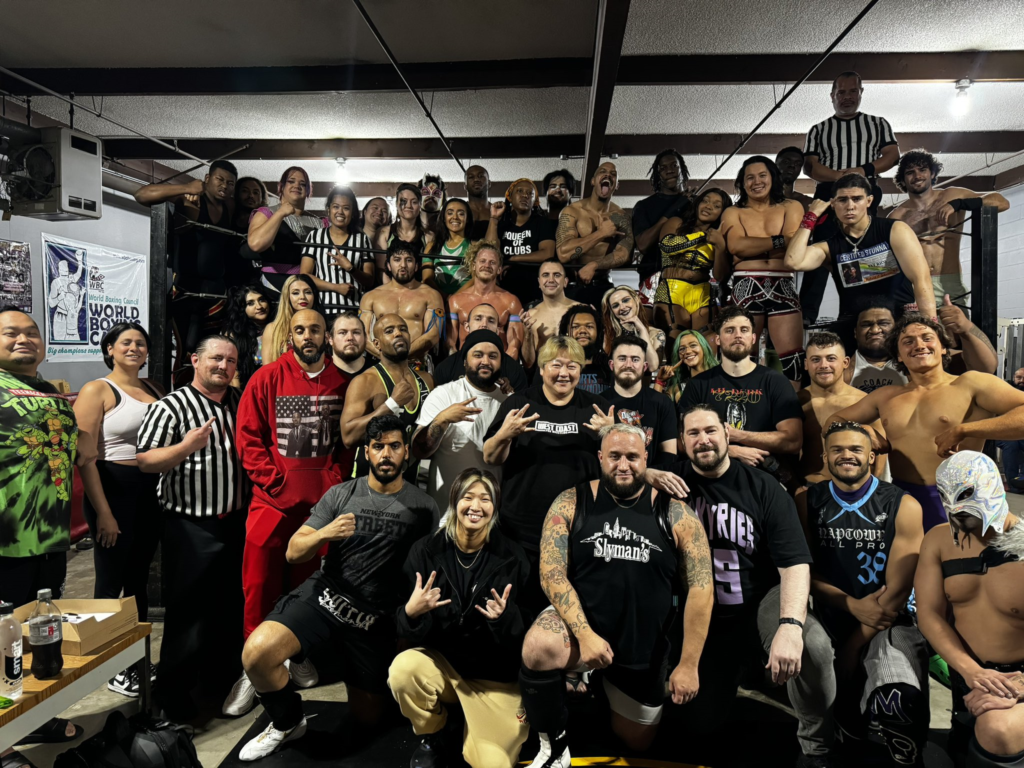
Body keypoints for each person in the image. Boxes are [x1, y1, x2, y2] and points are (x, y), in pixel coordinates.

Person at [238, 415, 438, 761]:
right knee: (256, 654)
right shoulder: (342, 493)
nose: (386, 454)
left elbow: (425, 570)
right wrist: (324, 534)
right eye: (378, 447)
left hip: (374, 618)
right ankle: (288, 721)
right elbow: (293, 552)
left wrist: (407, 629)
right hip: (326, 598)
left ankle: (320, 659)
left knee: (370, 719)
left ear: (407, 452)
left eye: (394, 446)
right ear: (367, 452)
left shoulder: (424, 506)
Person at [520, 423, 713, 765]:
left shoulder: (677, 514)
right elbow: (551, 574)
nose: (623, 465)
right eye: (614, 456)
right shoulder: (571, 502)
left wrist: (688, 664)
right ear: (600, 458)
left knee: (636, 742)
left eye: (632, 457)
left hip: (641, 650)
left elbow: (701, 589)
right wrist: (585, 636)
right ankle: (554, 748)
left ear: (646, 460)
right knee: (538, 647)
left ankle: (594, 686)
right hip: (582, 634)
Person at [677, 405, 831, 766]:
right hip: (701, 619)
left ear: (726, 434)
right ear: (682, 442)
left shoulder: (763, 487)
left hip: (758, 602)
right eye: (693, 433)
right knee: (697, 727)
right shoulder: (671, 483)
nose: (703, 440)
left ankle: (819, 747)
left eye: (711, 431)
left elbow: (794, 563)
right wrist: (652, 472)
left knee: (812, 645)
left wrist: (790, 626)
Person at [483, 337, 684, 613]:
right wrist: (505, 435)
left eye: (572, 366)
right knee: (520, 609)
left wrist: (609, 433)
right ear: (541, 368)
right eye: (556, 365)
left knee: (573, 611)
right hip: (520, 531)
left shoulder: (597, 407)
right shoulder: (520, 403)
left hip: (580, 530)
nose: (564, 373)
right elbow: (490, 457)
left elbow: (618, 464)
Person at [797, 422, 929, 767]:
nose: (847, 455)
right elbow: (801, 573)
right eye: (837, 449)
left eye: (856, 449)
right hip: (830, 614)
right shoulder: (806, 500)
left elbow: (898, 590)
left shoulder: (903, 505)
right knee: (828, 696)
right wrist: (850, 605)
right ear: (824, 456)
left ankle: (905, 754)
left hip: (886, 620)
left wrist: (854, 645)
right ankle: (828, 744)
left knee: (898, 700)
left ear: (872, 457)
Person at [137, 335, 249, 721]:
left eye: (230, 361)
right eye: (216, 358)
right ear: (195, 360)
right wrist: (187, 446)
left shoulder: (239, 402)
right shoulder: (171, 406)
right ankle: (173, 697)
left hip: (236, 522)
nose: (223, 366)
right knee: (188, 614)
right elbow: (146, 460)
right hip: (191, 526)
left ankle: (217, 683)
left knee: (229, 608)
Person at [235, 309, 350, 684]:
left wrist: (334, 481)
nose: (307, 336)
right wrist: (275, 483)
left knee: (306, 589)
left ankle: (297, 654)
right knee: (258, 587)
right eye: (300, 330)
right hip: (271, 504)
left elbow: (348, 442)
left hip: (318, 509)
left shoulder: (343, 383)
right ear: (290, 337)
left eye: (315, 329)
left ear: (326, 337)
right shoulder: (266, 377)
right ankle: (254, 668)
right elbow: (248, 438)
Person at [828, 314, 1024, 532]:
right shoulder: (886, 396)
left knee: (963, 555)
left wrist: (965, 430)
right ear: (899, 355)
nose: (919, 345)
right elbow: (834, 421)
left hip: (963, 501)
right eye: (908, 341)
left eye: (927, 338)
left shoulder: (971, 383)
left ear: (943, 348)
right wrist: (862, 430)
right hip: (903, 500)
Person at [390, 468, 531, 767]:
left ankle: (472, 727)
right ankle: (434, 733)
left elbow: (531, 634)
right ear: (455, 501)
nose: (475, 506)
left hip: (496, 681)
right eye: (468, 497)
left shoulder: (514, 557)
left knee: (493, 765)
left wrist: (505, 618)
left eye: (485, 499)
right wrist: (410, 613)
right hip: (446, 669)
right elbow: (399, 624)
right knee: (403, 670)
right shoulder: (425, 551)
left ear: (495, 507)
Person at [916, 451, 1024, 768]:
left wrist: (1019, 686)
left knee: (997, 730)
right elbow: (929, 613)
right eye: (945, 496)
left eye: (964, 495)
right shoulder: (939, 540)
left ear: (997, 485)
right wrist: (972, 672)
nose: (955, 508)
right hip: (968, 677)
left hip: (1020, 679)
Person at [73, 322, 164, 698]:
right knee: (111, 582)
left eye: (140, 343)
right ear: (109, 348)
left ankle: (136, 660)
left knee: (138, 580)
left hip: (149, 492)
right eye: (125, 342)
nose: (134, 348)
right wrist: (104, 513)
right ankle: (111, 667)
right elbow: (85, 458)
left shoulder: (154, 388)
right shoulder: (97, 389)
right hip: (112, 489)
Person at [800, 72, 901, 324]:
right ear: (832, 96)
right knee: (821, 250)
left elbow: (892, 155)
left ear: (861, 93)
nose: (847, 97)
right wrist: (840, 176)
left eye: (852, 91)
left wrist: (862, 171)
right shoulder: (819, 129)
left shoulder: (878, 123)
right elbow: (810, 166)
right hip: (829, 192)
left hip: (865, 189)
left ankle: (872, 310)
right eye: (841, 92)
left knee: (868, 250)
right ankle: (806, 316)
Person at [785, 175, 937, 331]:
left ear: (869, 201)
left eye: (857, 199)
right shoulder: (829, 247)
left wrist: (930, 327)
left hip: (896, 320)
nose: (850, 206)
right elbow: (793, 261)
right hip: (856, 325)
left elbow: (921, 279)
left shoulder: (894, 230)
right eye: (842, 200)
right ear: (833, 204)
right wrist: (811, 216)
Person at [679, 305, 802, 475]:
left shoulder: (776, 382)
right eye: (730, 330)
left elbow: (793, 441)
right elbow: (682, 442)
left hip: (766, 478)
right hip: (713, 478)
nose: (738, 335)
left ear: (753, 338)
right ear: (718, 339)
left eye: (744, 330)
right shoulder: (698, 385)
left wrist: (736, 435)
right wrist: (730, 450)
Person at [134, 161, 242, 351]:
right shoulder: (190, 199)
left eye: (230, 183)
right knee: (187, 347)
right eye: (220, 179)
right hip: (187, 286)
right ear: (207, 178)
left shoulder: (230, 206)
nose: (225, 185)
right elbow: (141, 195)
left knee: (212, 347)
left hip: (216, 290)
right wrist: (187, 187)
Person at [889, 148, 1011, 312]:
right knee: (919, 328)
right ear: (903, 180)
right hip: (915, 284)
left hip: (950, 281)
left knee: (958, 328)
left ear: (932, 173)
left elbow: (1001, 202)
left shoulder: (952, 196)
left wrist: (959, 204)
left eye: (922, 170)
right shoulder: (897, 216)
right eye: (910, 172)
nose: (917, 176)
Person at [720, 155, 806, 387]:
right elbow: (737, 246)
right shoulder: (733, 212)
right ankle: (742, 406)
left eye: (762, 175)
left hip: (783, 283)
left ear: (773, 177)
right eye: (750, 177)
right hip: (745, 284)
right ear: (742, 182)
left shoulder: (792, 206)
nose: (756, 182)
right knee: (740, 359)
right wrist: (780, 240)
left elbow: (795, 241)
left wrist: (754, 245)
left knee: (794, 363)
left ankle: (790, 408)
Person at [412, 331, 512, 512]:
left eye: (493, 356)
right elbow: (419, 451)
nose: (486, 361)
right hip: (446, 511)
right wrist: (442, 419)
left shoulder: (510, 401)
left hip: (489, 514)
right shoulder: (443, 395)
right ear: (465, 361)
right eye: (478, 355)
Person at [341, 313, 433, 481]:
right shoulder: (365, 381)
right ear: (377, 344)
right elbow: (348, 436)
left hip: (409, 482)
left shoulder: (427, 380)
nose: (398, 333)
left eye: (403, 329)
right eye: (389, 331)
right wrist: (392, 404)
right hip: (368, 484)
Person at [797, 332, 882, 487]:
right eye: (816, 359)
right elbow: (784, 451)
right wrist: (793, 487)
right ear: (806, 364)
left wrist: (870, 491)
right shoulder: (795, 402)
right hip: (806, 488)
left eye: (831, 358)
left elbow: (880, 454)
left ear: (845, 362)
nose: (823, 365)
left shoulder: (864, 402)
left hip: (855, 490)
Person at [556, 162, 635, 308]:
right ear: (593, 181)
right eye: (603, 171)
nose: (608, 175)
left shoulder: (621, 217)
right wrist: (601, 234)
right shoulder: (572, 212)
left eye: (613, 174)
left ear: (616, 185)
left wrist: (594, 265)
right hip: (573, 286)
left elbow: (624, 254)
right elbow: (563, 253)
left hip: (603, 285)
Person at [653, 187, 731, 335]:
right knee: (675, 337)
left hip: (703, 293)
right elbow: (668, 246)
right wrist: (703, 236)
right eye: (705, 201)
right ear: (697, 203)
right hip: (672, 290)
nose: (708, 206)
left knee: (706, 342)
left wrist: (720, 246)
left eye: (716, 206)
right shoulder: (676, 222)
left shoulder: (719, 237)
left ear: (723, 212)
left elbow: (720, 276)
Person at [360, 240, 445, 365]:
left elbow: (433, 334)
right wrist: (387, 358)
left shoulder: (431, 295)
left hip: (417, 363)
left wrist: (402, 356)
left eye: (409, 260)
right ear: (389, 265)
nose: (403, 265)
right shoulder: (371, 297)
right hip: (380, 362)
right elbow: (363, 334)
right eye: (397, 260)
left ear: (416, 266)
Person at [245, 166, 326, 295]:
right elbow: (255, 244)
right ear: (281, 187)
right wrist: (280, 213)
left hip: (307, 285)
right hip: (273, 284)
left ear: (308, 191)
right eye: (291, 181)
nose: (297, 186)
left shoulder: (319, 222)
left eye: (302, 184)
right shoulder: (266, 213)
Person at [601, 334, 677, 469]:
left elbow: (669, 454)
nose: (628, 365)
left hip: (652, 478)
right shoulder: (598, 404)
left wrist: (648, 476)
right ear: (612, 365)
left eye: (635, 359)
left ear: (644, 366)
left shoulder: (662, 403)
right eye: (622, 358)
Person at [632, 150, 692, 315]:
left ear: (682, 169)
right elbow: (643, 244)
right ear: (658, 174)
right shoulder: (644, 206)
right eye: (663, 168)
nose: (669, 170)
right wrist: (673, 210)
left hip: (689, 276)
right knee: (653, 327)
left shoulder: (695, 204)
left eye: (674, 166)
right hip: (653, 275)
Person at [300, 185, 375, 312]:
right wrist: (335, 287)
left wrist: (351, 268)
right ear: (328, 209)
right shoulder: (315, 236)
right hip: (323, 310)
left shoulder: (362, 240)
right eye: (336, 207)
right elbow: (304, 276)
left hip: (354, 311)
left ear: (353, 213)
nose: (340, 212)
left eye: (346, 208)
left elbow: (370, 281)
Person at [447, 241, 524, 359]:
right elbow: (450, 343)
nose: (487, 266)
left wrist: (504, 367)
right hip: (464, 363)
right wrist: (457, 365)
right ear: (474, 265)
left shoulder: (511, 301)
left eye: (492, 262)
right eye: (482, 261)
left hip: (498, 364)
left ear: (499, 269)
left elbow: (514, 346)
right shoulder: (456, 301)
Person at [486, 178, 556, 305]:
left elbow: (547, 253)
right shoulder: (501, 222)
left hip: (534, 289)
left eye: (530, 193)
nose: (525, 195)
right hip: (502, 288)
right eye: (520, 191)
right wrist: (494, 219)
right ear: (510, 197)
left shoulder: (542, 222)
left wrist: (514, 259)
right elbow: (488, 250)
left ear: (535, 201)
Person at [433, 303, 528, 391]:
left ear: (497, 330)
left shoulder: (514, 369)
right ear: (467, 326)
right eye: (478, 319)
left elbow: (521, 400)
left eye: (491, 321)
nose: (484, 325)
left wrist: (510, 394)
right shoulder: (446, 367)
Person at [521, 258, 577, 371]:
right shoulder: (531, 316)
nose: (551, 280)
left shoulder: (581, 311)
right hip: (543, 374)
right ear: (539, 282)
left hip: (577, 372)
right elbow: (528, 363)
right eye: (546, 275)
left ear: (565, 281)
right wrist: (527, 335)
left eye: (557, 275)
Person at [844, 300, 908, 393]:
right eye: (866, 325)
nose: (875, 330)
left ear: (896, 329)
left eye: (883, 323)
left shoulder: (912, 365)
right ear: (855, 332)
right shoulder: (841, 370)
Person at [260, 274, 323, 366]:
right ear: (287, 296)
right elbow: (267, 369)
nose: (302, 297)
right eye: (295, 293)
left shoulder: (323, 326)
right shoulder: (272, 329)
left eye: (308, 292)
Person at [223, 283, 274, 389]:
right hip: (247, 388)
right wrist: (239, 394)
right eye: (250, 303)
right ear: (242, 309)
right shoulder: (234, 334)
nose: (259, 306)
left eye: (262, 300)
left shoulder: (281, 328)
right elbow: (233, 370)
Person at [601, 285, 665, 371]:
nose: (622, 307)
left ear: (636, 299)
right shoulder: (608, 334)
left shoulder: (656, 334)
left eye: (626, 300)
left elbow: (652, 367)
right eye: (615, 306)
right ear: (612, 311)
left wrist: (642, 330)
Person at [423, 198, 474, 297]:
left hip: (466, 300)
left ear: (467, 219)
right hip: (438, 299)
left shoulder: (474, 246)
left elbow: (476, 279)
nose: (455, 217)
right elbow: (427, 279)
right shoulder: (431, 246)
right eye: (450, 213)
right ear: (443, 217)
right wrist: (444, 297)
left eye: (461, 214)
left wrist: (454, 298)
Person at [653, 328, 719, 404]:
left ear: (704, 347)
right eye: (682, 349)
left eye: (693, 345)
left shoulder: (720, 377)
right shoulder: (677, 390)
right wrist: (660, 381)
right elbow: (655, 408)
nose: (687, 351)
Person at [559, 304, 611, 394]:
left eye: (589, 326)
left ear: (598, 332)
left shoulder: (610, 365)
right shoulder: (555, 365)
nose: (582, 331)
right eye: (575, 327)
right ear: (566, 332)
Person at [376, 183, 433, 258]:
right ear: (396, 204)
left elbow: (428, 264)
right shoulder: (384, 233)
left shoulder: (429, 237)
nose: (408, 206)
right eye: (404, 201)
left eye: (414, 202)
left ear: (420, 205)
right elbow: (382, 265)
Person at [328, 309, 373, 378]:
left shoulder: (380, 372)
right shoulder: (318, 373)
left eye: (356, 332)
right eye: (342, 333)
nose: (350, 337)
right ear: (330, 339)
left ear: (365, 338)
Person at [361, 196, 392, 280]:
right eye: (375, 208)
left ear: (389, 218)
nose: (379, 212)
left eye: (384, 211)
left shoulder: (393, 241)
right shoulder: (354, 238)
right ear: (365, 211)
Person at [464, 165, 492, 240]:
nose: (476, 179)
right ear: (465, 186)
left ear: (489, 183)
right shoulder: (459, 211)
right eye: (471, 177)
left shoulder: (498, 212)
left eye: (481, 176)